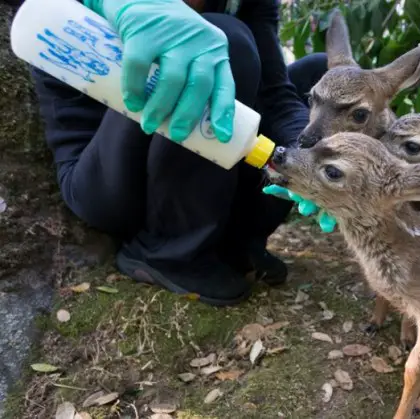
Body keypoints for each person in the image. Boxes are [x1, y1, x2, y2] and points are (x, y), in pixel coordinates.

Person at [30, 0, 328, 306]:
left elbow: (276, 94)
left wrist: (308, 155)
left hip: (198, 156)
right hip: (106, 176)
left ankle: (237, 243)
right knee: (224, 39)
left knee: (322, 78)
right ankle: (170, 252)